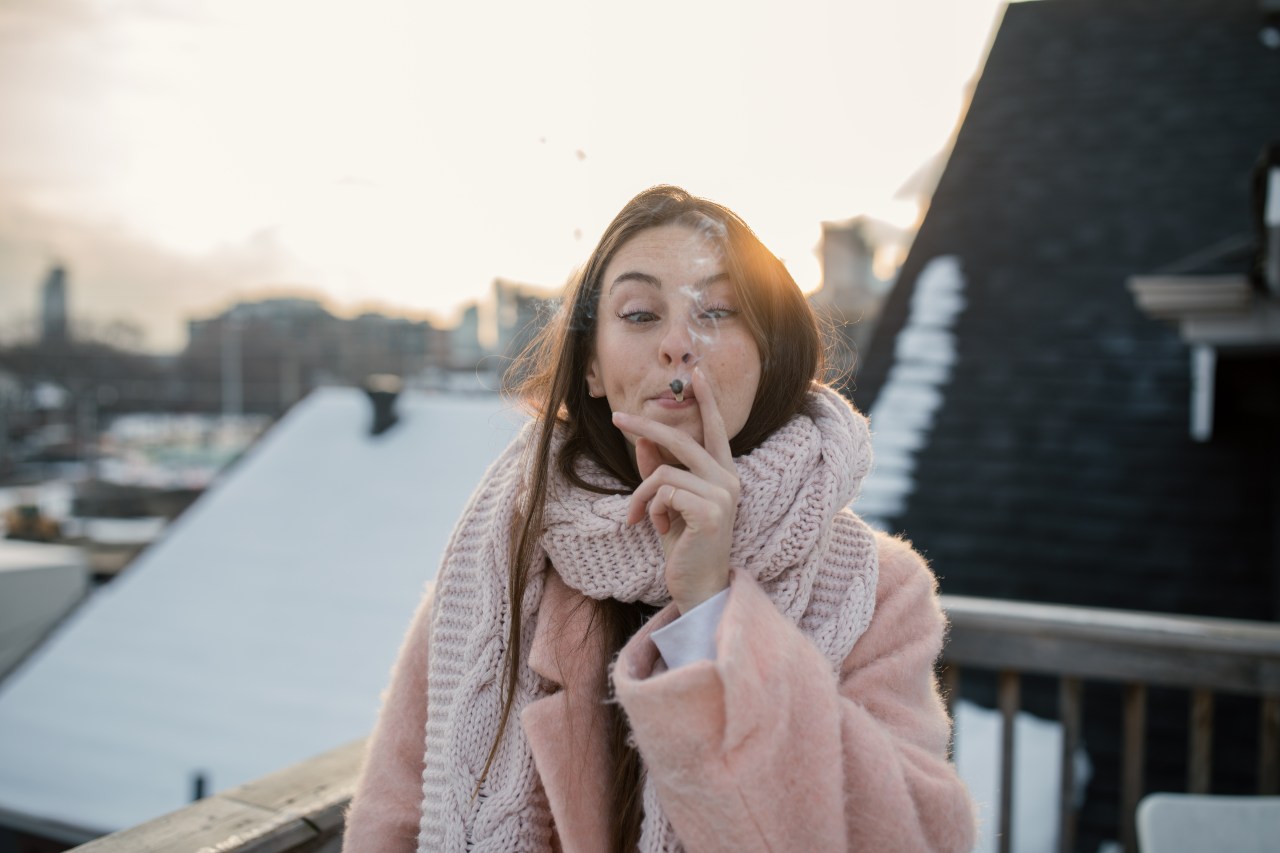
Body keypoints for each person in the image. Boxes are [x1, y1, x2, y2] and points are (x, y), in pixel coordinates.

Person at [344, 185, 976, 852]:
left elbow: (920, 835)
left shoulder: (880, 592)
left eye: (720, 310)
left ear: (769, 355)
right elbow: (391, 823)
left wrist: (713, 614)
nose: (679, 343)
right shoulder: (497, 563)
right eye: (641, 313)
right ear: (591, 365)